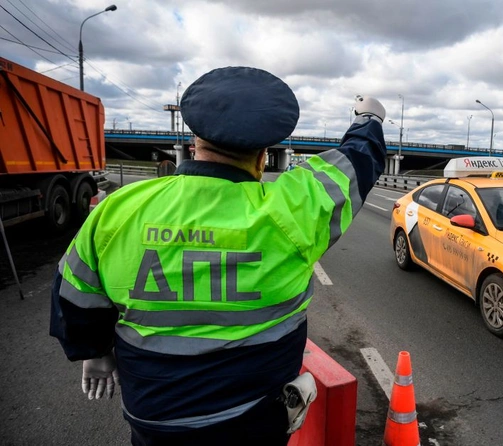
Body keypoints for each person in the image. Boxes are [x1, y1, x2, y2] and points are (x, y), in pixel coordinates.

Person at [50, 66, 387, 445]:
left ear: (194, 139)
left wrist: (93, 351)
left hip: (154, 419)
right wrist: (368, 119)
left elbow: (75, 295)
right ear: (264, 155)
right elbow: (357, 161)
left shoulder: (120, 209)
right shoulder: (295, 210)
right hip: (257, 419)